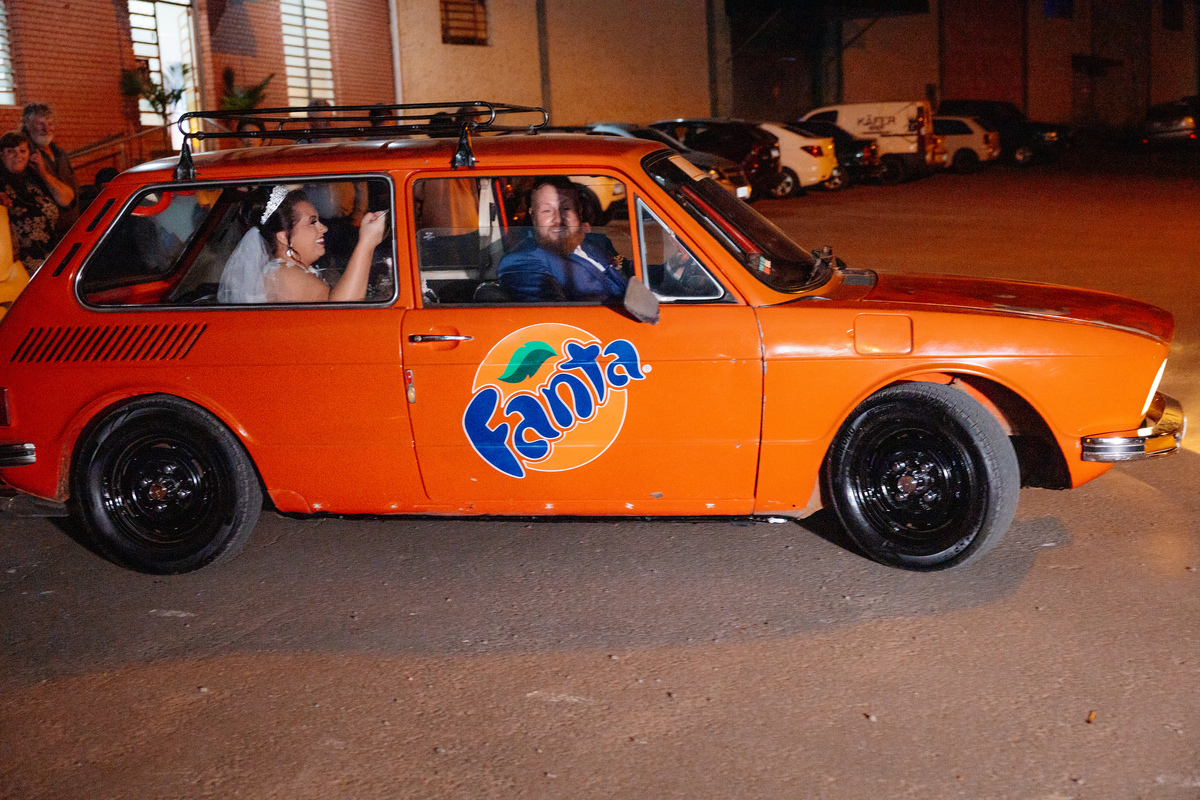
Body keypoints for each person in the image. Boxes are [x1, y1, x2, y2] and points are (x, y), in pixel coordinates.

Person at [218, 185, 387, 303]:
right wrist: (366, 243)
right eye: (312, 222)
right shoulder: (284, 274)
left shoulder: (288, 270)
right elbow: (341, 313)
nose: (324, 228)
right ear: (284, 237)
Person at [497, 176, 627, 302]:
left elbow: (628, 270)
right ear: (533, 216)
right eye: (547, 211)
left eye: (566, 208)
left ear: (579, 212)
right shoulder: (522, 261)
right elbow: (552, 316)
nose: (558, 219)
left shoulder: (595, 242)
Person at [0, 130, 75, 270]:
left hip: (48, 263)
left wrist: (44, 173)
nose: (18, 156)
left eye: (23, 151)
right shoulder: (1, 184)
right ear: (2, 155)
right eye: (11, 151)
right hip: (14, 269)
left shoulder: (37, 180)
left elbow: (68, 200)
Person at [22, 103, 78, 237]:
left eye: (50, 124)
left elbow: (73, 192)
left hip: (71, 232)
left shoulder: (60, 154)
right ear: (28, 125)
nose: (46, 129)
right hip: (44, 237)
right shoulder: (23, 154)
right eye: (40, 124)